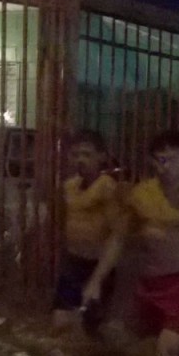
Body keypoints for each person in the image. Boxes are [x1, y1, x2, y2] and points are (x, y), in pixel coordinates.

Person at [83, 129, 179, 356]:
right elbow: (118, 239)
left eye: (172, 160)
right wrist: (96, 280)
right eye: (160, 160)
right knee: (121, 347)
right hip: (145, 286)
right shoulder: (140, 195)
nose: (165, 167)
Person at [52, 129, 122, 337]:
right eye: (75, 155)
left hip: (98, 266)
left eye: (87, 154)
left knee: (91, 331)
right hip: (73, 264)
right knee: (59, 325)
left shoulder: (107, 187)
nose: (80, 160)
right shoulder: (69, 187)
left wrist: (97, 279)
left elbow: (117, 235)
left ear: (101, 157)